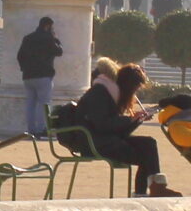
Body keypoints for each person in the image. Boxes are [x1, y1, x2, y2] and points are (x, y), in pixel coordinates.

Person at [59, 61, 174, 196]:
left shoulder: (111, 92)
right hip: (94, 143)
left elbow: (118, 131)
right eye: (135, 88)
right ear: (128, 85)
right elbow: (102, 124)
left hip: (104, 139)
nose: (134, 93)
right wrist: (129, 120)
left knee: (149, 143)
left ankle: (152, 189)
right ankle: (151, 190)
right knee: (146, 154)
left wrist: (136, 121)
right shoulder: (99, 93)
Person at [15, 17, 63, 138]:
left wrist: (24, 68)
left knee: (30, 104)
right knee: (44, 104)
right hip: (43, 75)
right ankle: (42, 129)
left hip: (28, 75)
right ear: (48, 26)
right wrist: (56, 39)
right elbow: (59, 52)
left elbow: (19, 56)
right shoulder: (48, 38)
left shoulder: (27, 38)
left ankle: (31, 130)